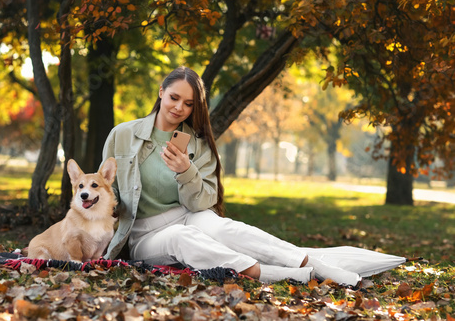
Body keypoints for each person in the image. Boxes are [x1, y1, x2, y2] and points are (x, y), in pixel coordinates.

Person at [101, 66, 361, 285]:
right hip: (144, 235)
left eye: (188, 104)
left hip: (186, 216)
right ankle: (275, 275)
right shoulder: (122, 134)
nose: (179, 107)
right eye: (174, 98)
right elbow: (104, 188)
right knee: (180, 238)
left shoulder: (198, 145)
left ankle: (312, 265)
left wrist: (185, 171)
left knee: (224, 227)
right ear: (161, 93)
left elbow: (201, 204)